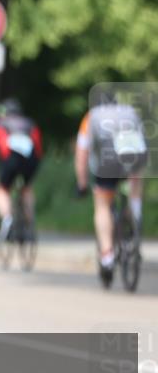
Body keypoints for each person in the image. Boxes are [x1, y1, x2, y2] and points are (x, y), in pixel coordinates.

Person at [75, 93, 148, 283]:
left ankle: (107, 256)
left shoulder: (91, 116)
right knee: (136, 180)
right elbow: (143, 142)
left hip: (108, 162)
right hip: (134, 155)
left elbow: (82, 154)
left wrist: (82, 183)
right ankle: (135, 215)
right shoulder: (130, 112)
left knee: (102, 204)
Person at [0, 98, 43, 241]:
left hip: (10, 159)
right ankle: (29, 222)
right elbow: (38, 150)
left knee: (2, 189)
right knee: (26, 188)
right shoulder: (30, 124)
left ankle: (7, 219)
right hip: (32, 160)